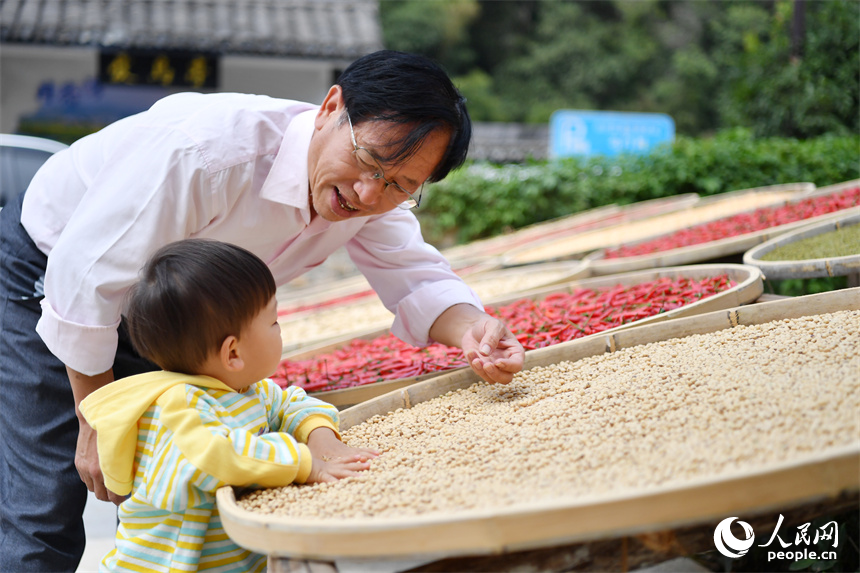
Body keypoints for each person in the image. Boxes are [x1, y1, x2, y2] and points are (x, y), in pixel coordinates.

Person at [0, 49, 525, 571]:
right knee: (45, 506)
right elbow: (85, 278)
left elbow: (414, 272)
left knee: (169, 496)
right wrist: (95, 417)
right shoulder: (207, 151)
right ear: (330, 107)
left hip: (180, 313)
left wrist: (473, 332)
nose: (368, 193)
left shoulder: (368, 199)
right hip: (49, 273)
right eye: (368, 162)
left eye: (401, 186)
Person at [79, 239, 376, 571]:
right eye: (273, 321)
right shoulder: (177, 408)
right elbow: (215, 454)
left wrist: (321, 436)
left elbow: (290, 403)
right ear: (233, 353)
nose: (280, 329)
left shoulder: (246, 389)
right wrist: (305, 463)